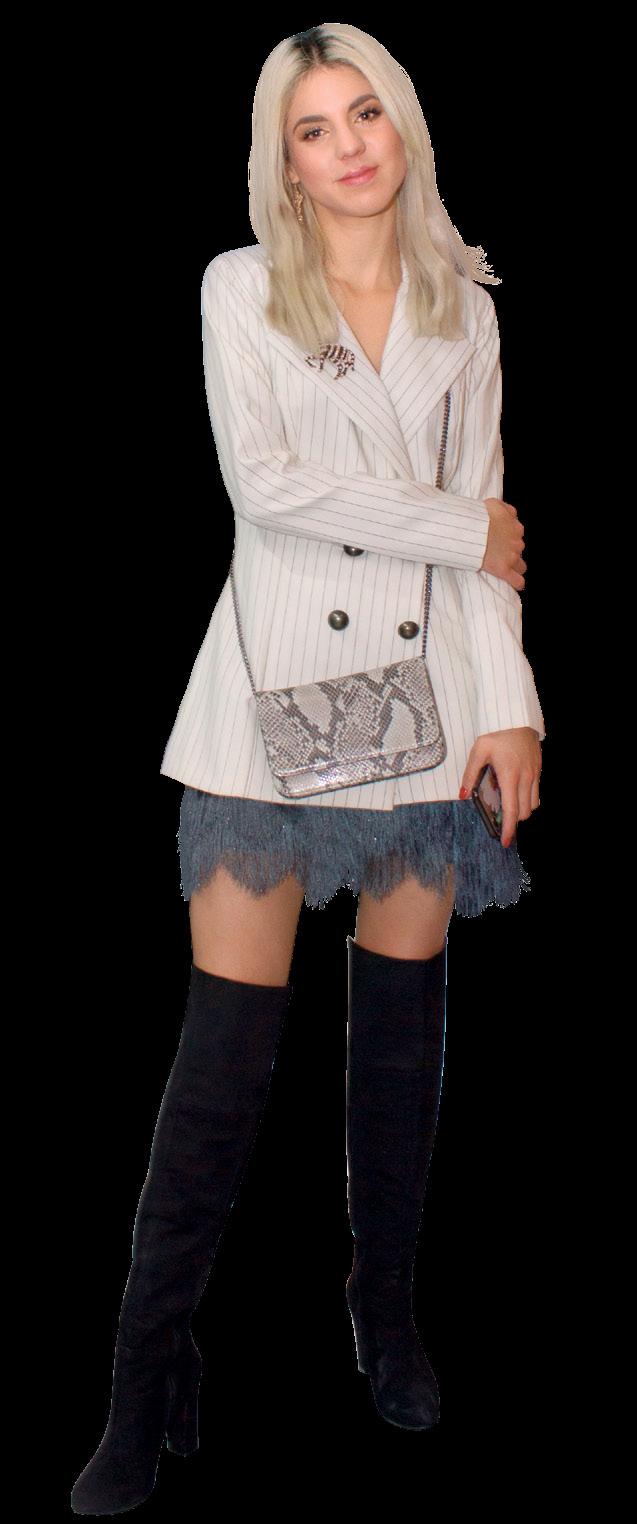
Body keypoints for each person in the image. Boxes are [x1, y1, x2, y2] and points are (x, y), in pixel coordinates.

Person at [71, 22, 545, 1513]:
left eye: (366, 114)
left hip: (425, 707)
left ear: (403, 128)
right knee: (224, 1056)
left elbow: (490, 527)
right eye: (313, 128)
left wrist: (513, 706)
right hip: (273, 700)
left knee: (401, 1041)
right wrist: (459, 526)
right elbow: (266, 489)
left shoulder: (464, 307)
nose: (347, 146)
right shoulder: (241, 286)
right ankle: (145, 1372)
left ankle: (384, 1320)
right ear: (282, 162)